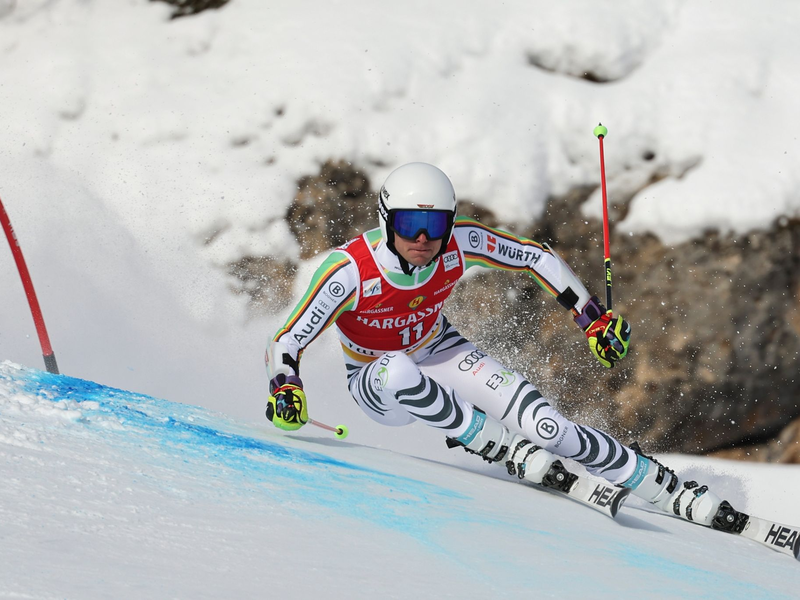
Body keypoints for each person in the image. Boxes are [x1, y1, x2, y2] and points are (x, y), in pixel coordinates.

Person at [265, 162, 739, 530]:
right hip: (377, 382)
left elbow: (535, 257)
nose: (425, 239)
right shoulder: (348, 271)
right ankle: (497, 446)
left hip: (439, 347)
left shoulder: (459, 242)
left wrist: (591, 318)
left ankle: (658, 483)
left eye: (437, 224)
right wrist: (286, 385)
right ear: (388, 220)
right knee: (397, 369)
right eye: (411, 224)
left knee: (548, 428)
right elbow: (287, 339)